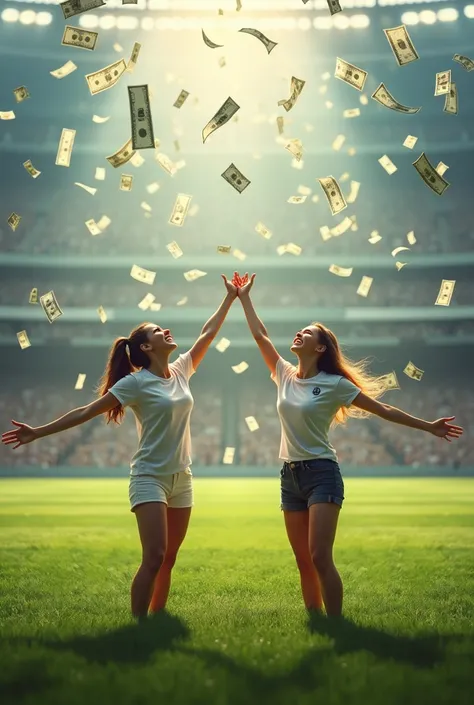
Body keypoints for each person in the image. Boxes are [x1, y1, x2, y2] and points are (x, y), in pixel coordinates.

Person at [1, 275, 240, 621]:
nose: (166, 331)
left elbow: (208, 334)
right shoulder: (135, 383)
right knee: (154, 556)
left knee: (170, 557)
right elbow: (86, 411)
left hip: (182, 477)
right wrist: (38, 432)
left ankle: (157, 617)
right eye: (158, 331)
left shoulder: (181, 370)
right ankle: (139, 623)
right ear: (145, 347)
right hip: (149, 477)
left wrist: (230, 299)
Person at [232, 271, 464, 617]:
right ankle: (315, 620)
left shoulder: (335, 384)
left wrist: (428, 426)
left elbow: (383, 409)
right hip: (289, 476)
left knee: (320, 556)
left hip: (322, 474)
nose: (299, 333)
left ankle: (336, 622)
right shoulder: (283, 373)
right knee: (303, 560)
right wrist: (243, 297)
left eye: (307, 333)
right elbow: (260, 335)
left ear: (320, 347)